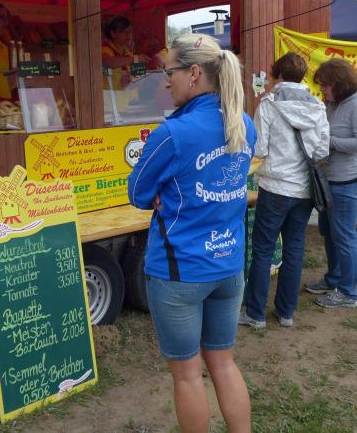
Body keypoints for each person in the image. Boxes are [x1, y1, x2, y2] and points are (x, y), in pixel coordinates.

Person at [128, 33, 256, 433]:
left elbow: (137, 192)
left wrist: (163, 193)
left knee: (187, 375)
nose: (166, 82)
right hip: (229, 265)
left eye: (170, 72)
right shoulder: (243, 123)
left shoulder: (173, 133)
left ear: (194, 73)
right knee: (224, 363)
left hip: (179, 271)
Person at [239, 53, 329, 330]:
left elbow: (260, 149)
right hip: (304, 190)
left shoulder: (268, 105)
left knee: (263, 249)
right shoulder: (318, 106)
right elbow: (322, 150)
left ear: (277, 75)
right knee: (294, 249)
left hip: (275, 187)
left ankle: (255, 314)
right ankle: (286, 312)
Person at [305, 58, 357, 309]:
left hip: (347, 182)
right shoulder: (334, 102)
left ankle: (347, 292)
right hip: (331, 180)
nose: (322, 89)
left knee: (344, 237)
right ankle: (334, 279)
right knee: (329, 233)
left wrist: (328, 141)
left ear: (339, 84)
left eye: (325, 85)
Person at [102, 16, 152, 113]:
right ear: (113, 33)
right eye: (124, 32)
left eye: (130, 32)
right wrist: (136, 59)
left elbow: (139, 82)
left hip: (129, 106)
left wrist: (149, 68)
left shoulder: (130, 55)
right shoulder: (105, 50)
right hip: (109, 108)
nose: (128, 35)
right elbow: (110, 62)